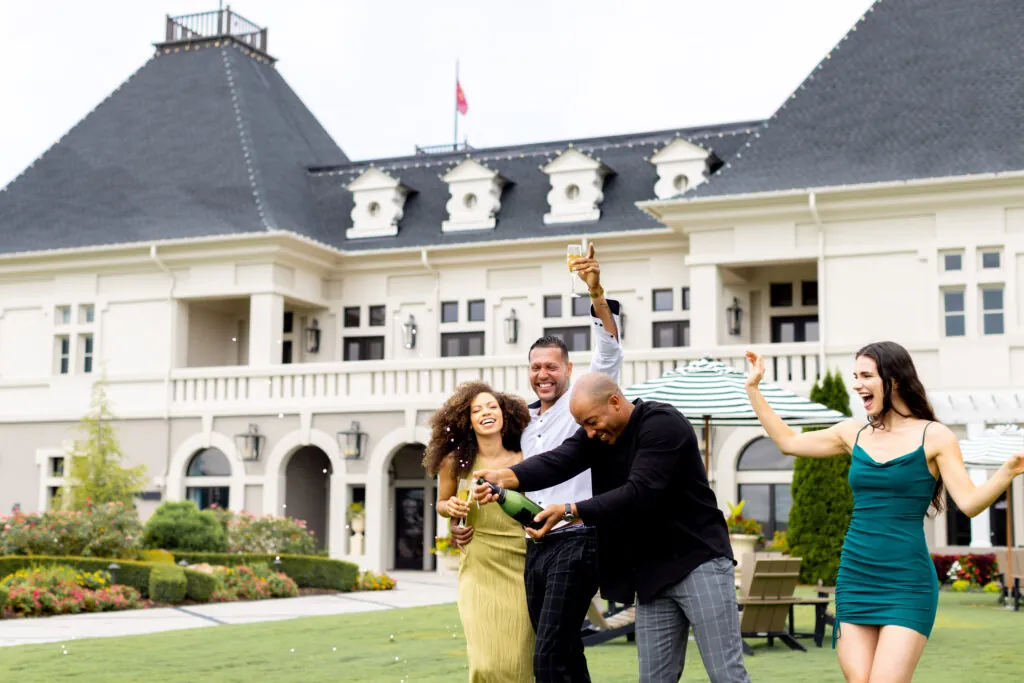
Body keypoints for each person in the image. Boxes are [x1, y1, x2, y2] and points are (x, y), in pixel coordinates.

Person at [743, 342, 1024, 683]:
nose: (857, 384)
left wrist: (1007, 471)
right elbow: (788, 442)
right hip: (856, 575)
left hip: (907, 581)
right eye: (855, 376)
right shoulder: (852, 433)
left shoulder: (935, 436)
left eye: (866, 376)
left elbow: (968, 503)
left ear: (894, 380)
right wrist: (753, 389)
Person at [475, 373, 751, 683]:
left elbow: (641, 492)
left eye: (592, 422)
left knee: (726, 674)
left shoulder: (662, 424)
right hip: (651, 574)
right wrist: (505, 477)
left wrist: (571, 511)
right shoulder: (597, 435)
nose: (590, 433)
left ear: (615, 401)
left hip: (699, 562)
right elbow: (560, 460)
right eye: (584, 426)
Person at [451, 243, 624, 682]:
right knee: (565, 650)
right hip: (536, 544)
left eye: (550, 366)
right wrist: (464, 515)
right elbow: (500, 470)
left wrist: (597, 294)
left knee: (545, 656)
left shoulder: (578, 409)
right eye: (534, 367)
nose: (542, 374)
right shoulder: (522, 424)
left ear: (568, 369)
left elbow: (608, 353)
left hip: (577, 538)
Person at [423, 381, 535, 683]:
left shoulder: (525, 457)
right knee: (485, 661)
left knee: (518, 658)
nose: (486, 412)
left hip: (522, 563)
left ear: (504, 414)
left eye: (492, 407)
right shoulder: (455, 462)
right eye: (477, 410)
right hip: (478, 565)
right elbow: (442, 502)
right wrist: (452, 514)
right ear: (467, 421)